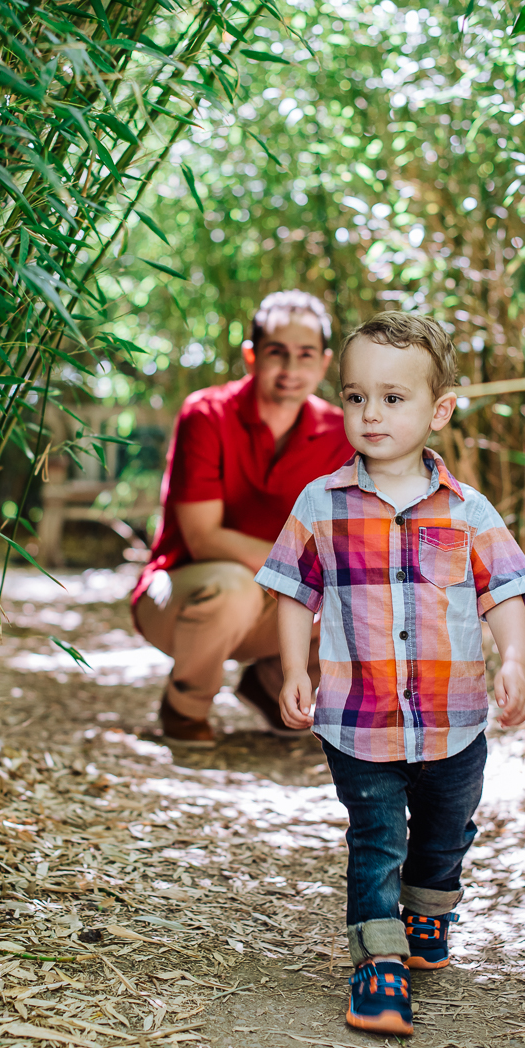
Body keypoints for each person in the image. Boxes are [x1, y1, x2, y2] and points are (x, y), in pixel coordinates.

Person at [254, 312, 525, 1036]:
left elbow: (502, 591)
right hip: (357, 718)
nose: (371, 414)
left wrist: (515, 660)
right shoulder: (322, 503)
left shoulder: (468, 510)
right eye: (355, 397)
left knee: (447, 832)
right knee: (375, 836)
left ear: (438, 409)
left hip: (456, 717)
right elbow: (294, 590)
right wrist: (294, 668)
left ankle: (429, 909)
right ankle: (377, 964)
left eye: (393, 398)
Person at [132, 291, 356, 747]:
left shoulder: (340, 433)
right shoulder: (207, 414)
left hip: (276, 606)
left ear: (324, 362)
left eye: (305, 355)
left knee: (365, 595)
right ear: (251, 356)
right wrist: (302, 570)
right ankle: (185, 706)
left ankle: (272, 683)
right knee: (235, 586)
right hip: (184, 595)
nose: (291, 369)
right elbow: (202, 538)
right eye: (277, 353)